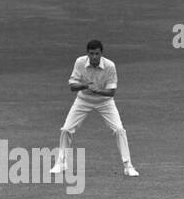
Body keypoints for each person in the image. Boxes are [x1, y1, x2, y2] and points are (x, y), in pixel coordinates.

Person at [49, 39, 139, 177]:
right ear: (87, 54)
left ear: (101, 53)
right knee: (66, 129)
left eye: (97, 54)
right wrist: (86, 86)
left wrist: (97, 90)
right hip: (83, 100)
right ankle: (61, 163)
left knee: (119, 130)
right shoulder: (80, 62)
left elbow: (111, 92)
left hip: (105, 102)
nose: (94, 57)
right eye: (91, 54)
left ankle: (128, 166)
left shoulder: (110, 66)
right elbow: (72, 86)